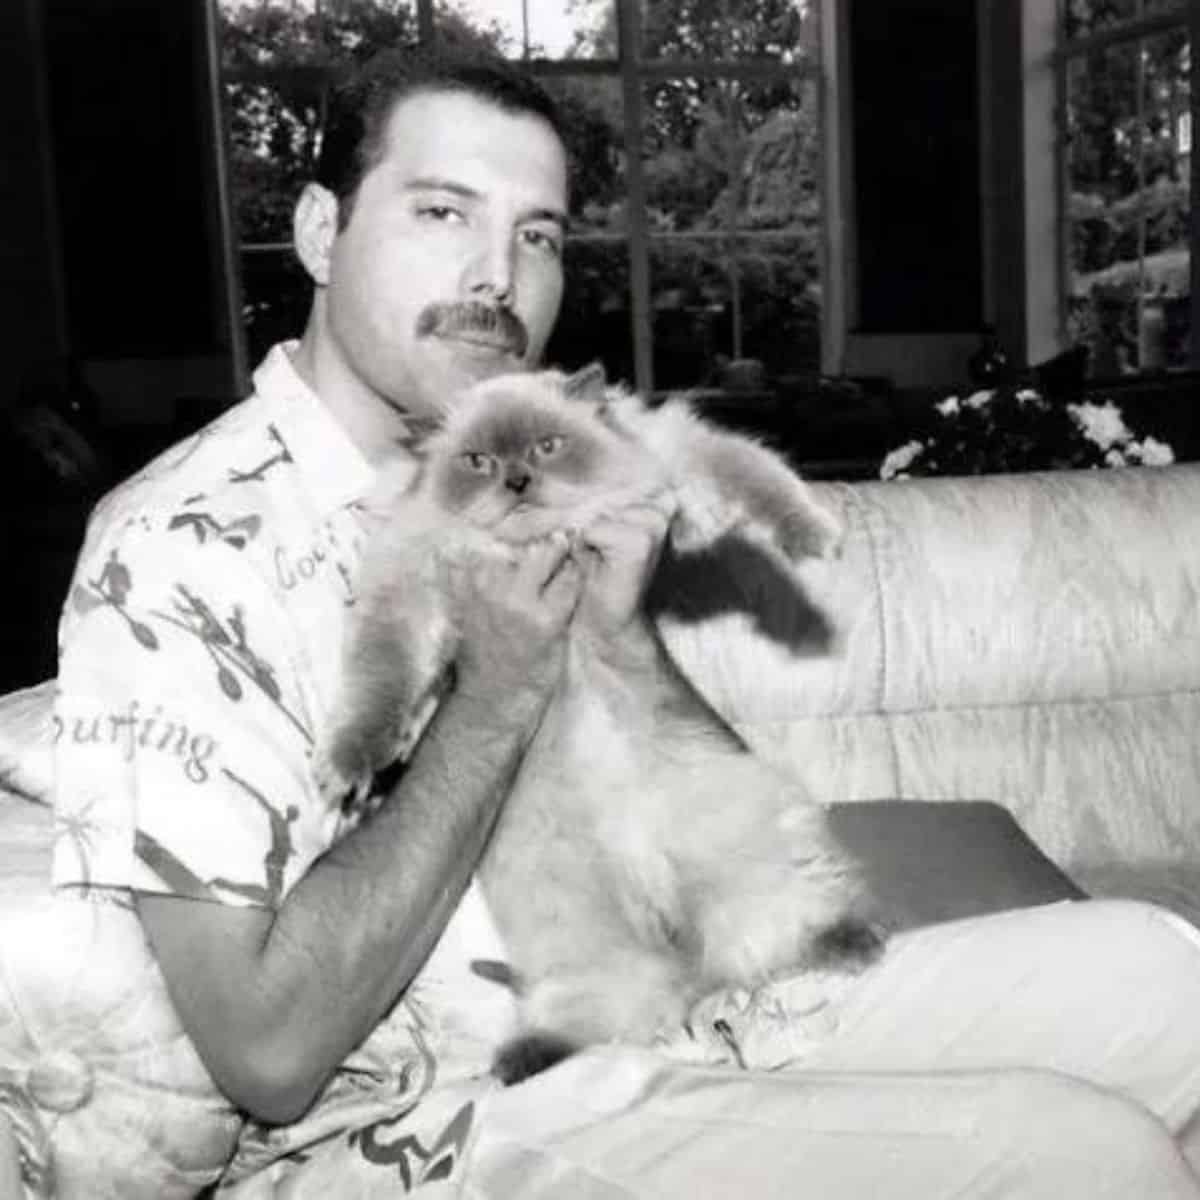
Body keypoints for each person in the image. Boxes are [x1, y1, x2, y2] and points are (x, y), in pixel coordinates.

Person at [49, 43, 1200, 1197]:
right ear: (316, 231)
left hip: (688, 1018)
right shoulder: (182, 548)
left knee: (1168, 979)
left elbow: (705, 822)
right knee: (1092, 1156)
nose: (496, 277)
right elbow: (267, 1053)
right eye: (443, 210)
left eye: (537, 235)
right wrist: (495, 698)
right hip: (444, 1128)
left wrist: (613, 640)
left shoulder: (533, 466)